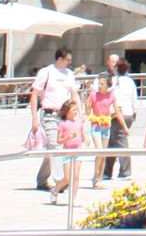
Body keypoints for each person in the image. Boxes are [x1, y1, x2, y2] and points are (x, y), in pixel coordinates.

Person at [28, 45, 79, 192]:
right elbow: (34, 95)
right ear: (60, 59)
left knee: (56, 148)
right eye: (67, 59)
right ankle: (60, 181)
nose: (69, 62)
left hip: (64, 114)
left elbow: (74, 93)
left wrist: (78, 112)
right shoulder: (46, 72)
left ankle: (43, 179)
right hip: (49, 114)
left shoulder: (69, 74)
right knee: (54, 145)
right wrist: (34, 119)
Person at [103, 52, 137, 181]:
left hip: (117, 114)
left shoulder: (114, 81)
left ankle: (125, 171)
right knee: (112, 142)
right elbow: (134, 99)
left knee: (121, 143)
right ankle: (107, 171)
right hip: (129, 113)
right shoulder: (131, 82)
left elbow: (110, 95)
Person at [49, 96, 87, 206]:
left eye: (76, 109)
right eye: (73, 109)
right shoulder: (63, 124)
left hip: (78, 151)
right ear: (67, 111)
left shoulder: (79, 123)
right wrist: (67, 137)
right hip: (67, 152)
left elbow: (83, 136)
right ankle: (55, 190)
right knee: (67, 177)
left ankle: (73, 199)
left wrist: (86, 140)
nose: (76, 111)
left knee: (76, 177)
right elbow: (59, 140)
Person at [86, 72, 116, 185]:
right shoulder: (94, 95)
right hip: (96, 125)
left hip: (106, 126)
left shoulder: (111, 96)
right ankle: (95, 176)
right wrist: (87, 105)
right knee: (99, 150)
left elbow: (116, 110)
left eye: (102, 84)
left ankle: (99, 178)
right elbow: (88, 112)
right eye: (99, 84)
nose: (100, 86)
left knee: (103, 153)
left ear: (108, 85)